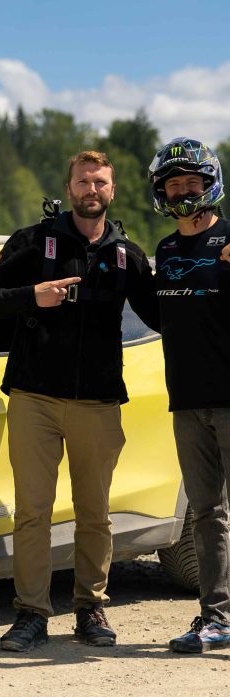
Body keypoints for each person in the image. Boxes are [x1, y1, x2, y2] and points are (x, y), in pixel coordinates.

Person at [0, 150, 158, 651]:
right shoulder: (33, 242)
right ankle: (31, 613)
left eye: (100, 182)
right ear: (69, 188)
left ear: (113, 191)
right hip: (34, 398)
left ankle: (90, 608)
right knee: (33, 512)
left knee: (95, 513)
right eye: (83, 181)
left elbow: (167, 317)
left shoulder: (128, 256)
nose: (91, 190)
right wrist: (32, 295)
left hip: (98, 402)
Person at [148, 136, 230, 653]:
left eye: (192, 183)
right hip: (186, 400)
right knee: (206, 514)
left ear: (210, 185)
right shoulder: (166, 250)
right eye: (174, 184)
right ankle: (216, 618)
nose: (183, 192)